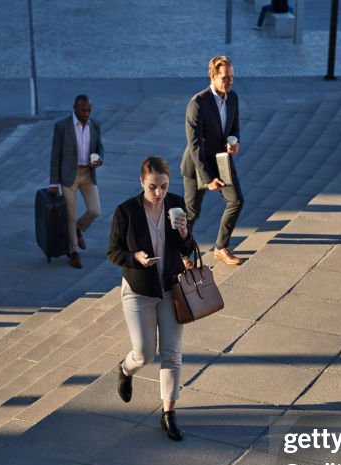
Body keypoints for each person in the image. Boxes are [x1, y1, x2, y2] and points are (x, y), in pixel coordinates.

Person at [108, 157, 197, 441]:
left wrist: (184, 232)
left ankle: (169, 413)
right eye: (152, 187)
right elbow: (113, 252)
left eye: (163, 186)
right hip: (139, 291)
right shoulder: (126, 212)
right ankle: (125, 368)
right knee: (145, 354)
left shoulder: (176, 203)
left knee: (172, 354)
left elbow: (187, 247)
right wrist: (135, 257)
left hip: (171, 289)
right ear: (141, 183)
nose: (158, 193)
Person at [181, 55, 245, 266]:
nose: (230, 82)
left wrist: (233, 143)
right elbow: (194, 145)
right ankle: (181, 255)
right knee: (192, 212)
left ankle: (221, 247)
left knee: (236, 201)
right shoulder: (197, 103)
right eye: (225, 78)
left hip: (221, 159)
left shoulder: (233, 98)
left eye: (232, 77)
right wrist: (208, 179)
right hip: (197, 163)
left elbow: (233, 127)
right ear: (213, 76)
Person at [50, 94, 104, 269]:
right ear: (75, 108)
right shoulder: (62, 127)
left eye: (89, 110)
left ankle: (79, 229)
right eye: (83, 110)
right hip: (69, 177)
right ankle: (74, 252)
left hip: (87, 173)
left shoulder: (95, 125)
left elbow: (99, 147)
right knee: (70, 215)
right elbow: (55, 155)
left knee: (95, 210)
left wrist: (99, 159)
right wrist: (53, 183)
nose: (86, 113)